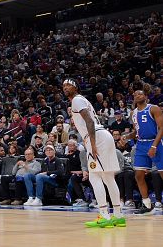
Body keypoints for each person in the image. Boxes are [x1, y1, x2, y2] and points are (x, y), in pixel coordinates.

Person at [62, 79, 124, 228]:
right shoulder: (82, 100)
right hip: (104, 135)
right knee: (108, 177)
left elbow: (89, 121)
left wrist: (93, 144)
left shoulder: (76, 100)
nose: (65, 88)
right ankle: (118, 216)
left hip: (95, 137)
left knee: (95, 176)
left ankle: (104, 216)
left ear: (76, 87)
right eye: (63, 86)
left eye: (68, 85)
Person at [122, 89, 163, 214]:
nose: (137, 96)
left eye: (140, 94)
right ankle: (146, 204)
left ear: (145, 96)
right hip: (141, 144)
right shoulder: (133, 113)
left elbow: (161, 128)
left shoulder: (154, 108)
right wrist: (127, 137)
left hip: (155, 142)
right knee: (138, 175)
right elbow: (136, 132)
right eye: (134, 95)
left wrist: (154, 146)